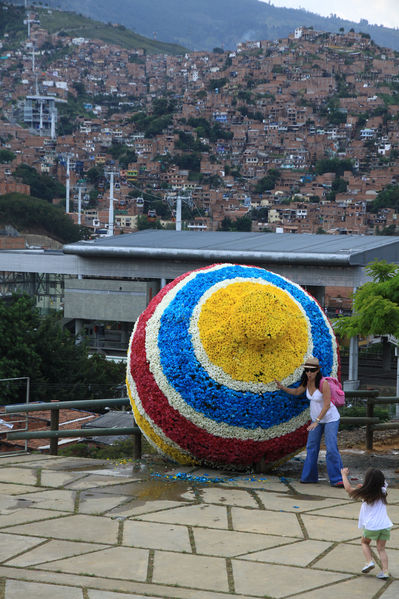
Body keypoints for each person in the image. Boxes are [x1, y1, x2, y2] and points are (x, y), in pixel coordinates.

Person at [275, 356, 343, 486]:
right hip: (316, 420)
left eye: (312, 370)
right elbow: (296, 391)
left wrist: (317, 421)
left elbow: (327, 404)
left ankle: (337, 479)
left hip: (330, 419)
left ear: (317, 370)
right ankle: (309, 477)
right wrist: (282, 387)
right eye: (307, 370)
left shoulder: (324, 383)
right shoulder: (306, 382)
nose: (309, 373)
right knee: (311, 447)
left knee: (331, 447)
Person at [341, 466, 392, 579]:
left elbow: (348, 489)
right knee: (381, 549)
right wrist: (364, 487)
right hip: (385, 525)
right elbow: (379, 482)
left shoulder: (365, 493)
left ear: (367, 481)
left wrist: (344, 475)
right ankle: (385, 571)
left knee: (365, 542)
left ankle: (369, 562)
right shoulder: (383, 490)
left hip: (372, 526)